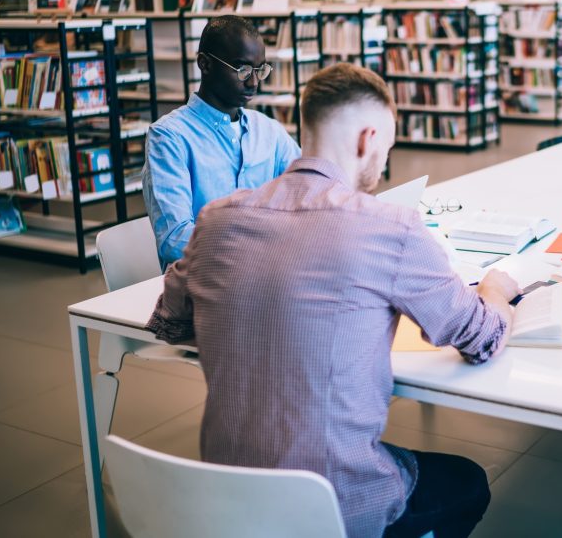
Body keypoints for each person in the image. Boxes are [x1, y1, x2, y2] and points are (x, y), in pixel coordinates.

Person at [145, 63, 519, 538]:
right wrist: (495, 291)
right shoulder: (390, 226)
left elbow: (170, 324)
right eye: (387, 145)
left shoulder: (216, 220)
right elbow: (481, 340)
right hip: (332, 508)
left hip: (226, 497)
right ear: (367, 139)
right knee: (467, 482)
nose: (383, 161)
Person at [142, 14, 300, 268]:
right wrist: (258, 247)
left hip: (267, 273)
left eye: (260, 70)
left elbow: (310, 189)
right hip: (202, 286)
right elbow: (174, 240)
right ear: (205, 64)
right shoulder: (169, 137)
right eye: (242, 70)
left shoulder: (269, 131)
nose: (254, 81)